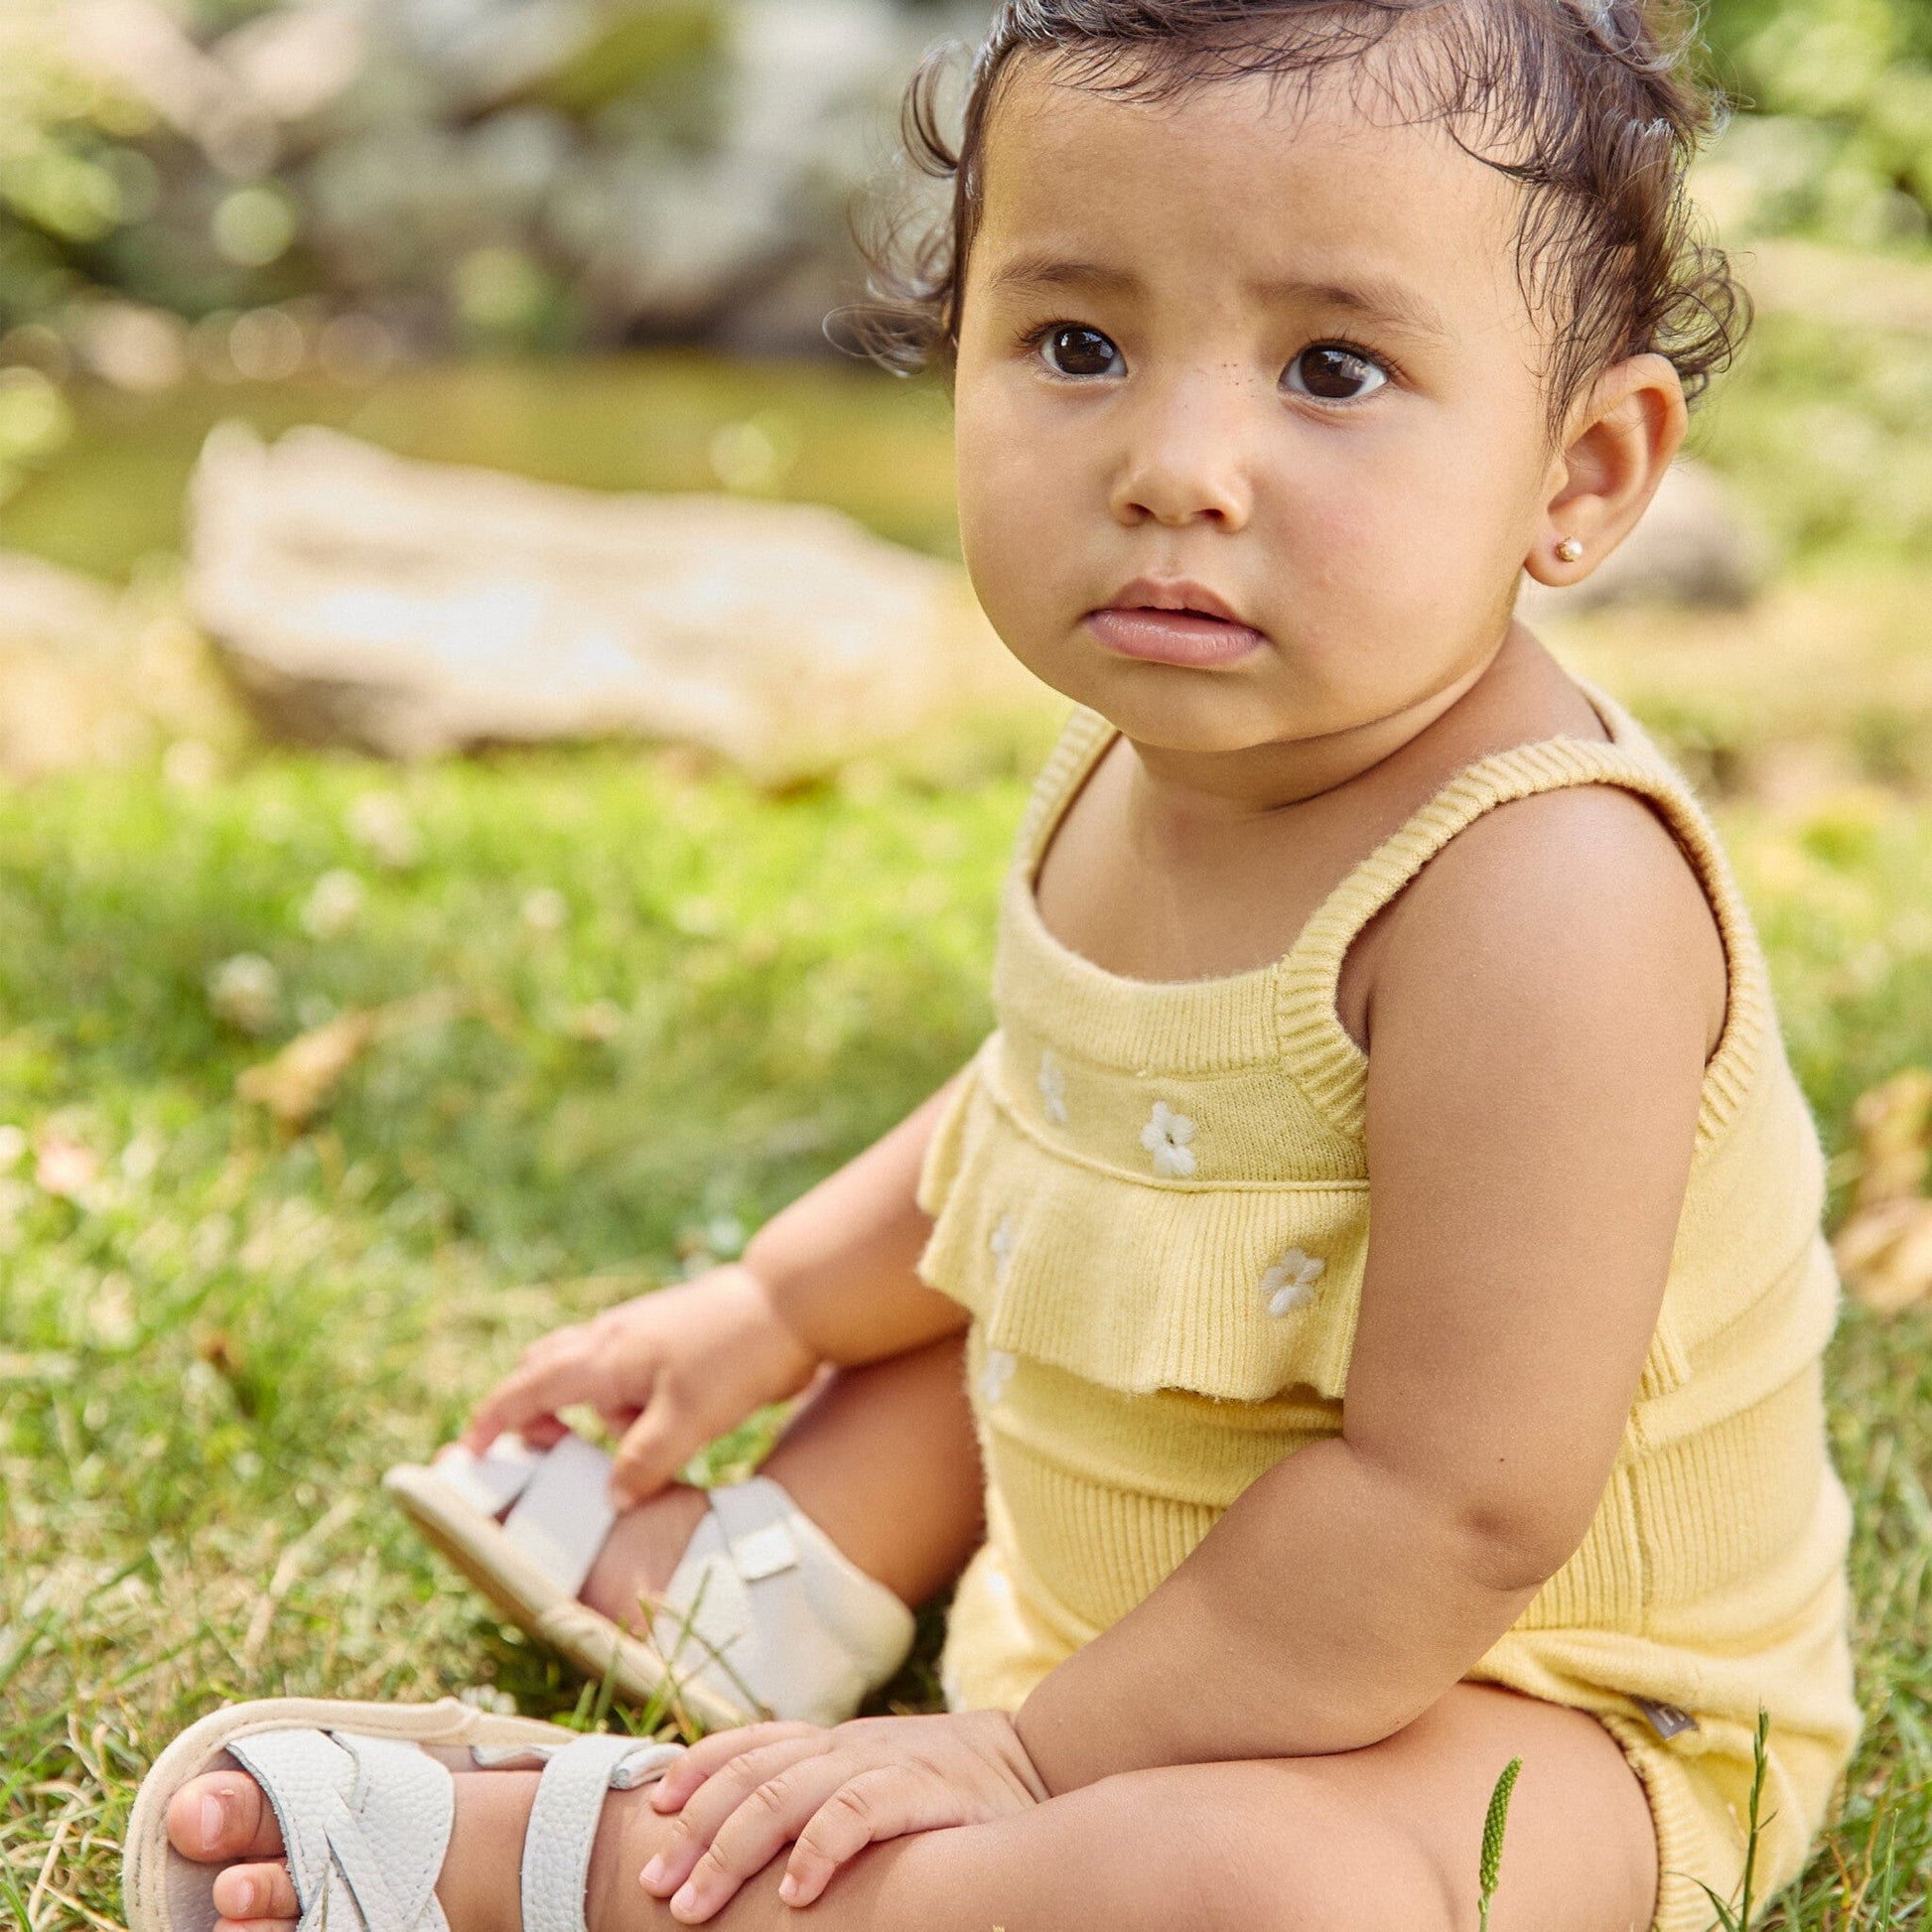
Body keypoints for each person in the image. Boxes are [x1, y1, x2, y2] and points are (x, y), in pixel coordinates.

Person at [134, 3, 1860, 1929]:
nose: (1177, 466)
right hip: (1158, 1579)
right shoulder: (1152, 753)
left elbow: (1453, 1508)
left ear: (1581, 471)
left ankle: (639, 1866)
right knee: (1092, 1250)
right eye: (1079, 345)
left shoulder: (1543, 898)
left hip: (1531, 1692)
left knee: (1281, 1893)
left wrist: (1026, 1754)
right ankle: (775, 1583)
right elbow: (1054, 1109)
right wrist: (778, 1304)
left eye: (1335, 367)